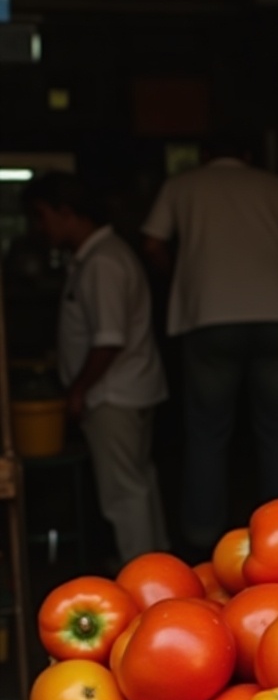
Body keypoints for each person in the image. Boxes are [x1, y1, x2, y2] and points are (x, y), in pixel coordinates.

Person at [140, 129, 278, 559]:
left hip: (209, 317)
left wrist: (181, 278)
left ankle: (201, 539)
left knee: (207, 432)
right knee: (277, 431)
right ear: (247, 154)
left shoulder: (182, 185)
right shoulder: (273, 185)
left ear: (203, 153)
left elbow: (151, 242)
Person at [23, 172, 170, 565]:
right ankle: (156, 571)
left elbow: (109, 338)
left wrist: (79, 389)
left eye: (41, 216)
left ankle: (143, 580)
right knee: (137, 484)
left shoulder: (103, 262)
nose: (39, 227)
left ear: (65, 211)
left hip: (113, 393)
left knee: (124, 493)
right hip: (124, 389)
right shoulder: (98, 257)